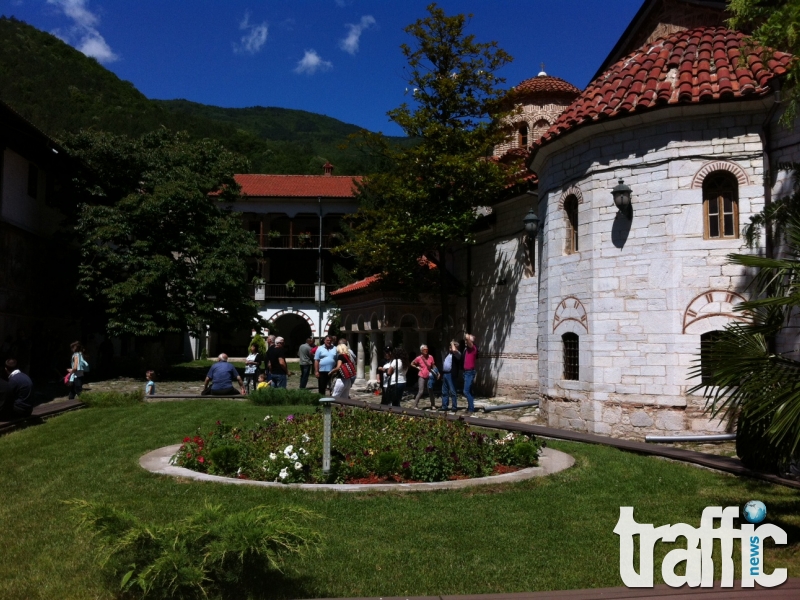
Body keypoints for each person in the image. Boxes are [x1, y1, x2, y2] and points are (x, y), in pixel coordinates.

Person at [410, 344, 438, 409]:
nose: (426, 351)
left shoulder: (430, 357)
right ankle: (415, 405)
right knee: (421, 391)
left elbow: (433, 365)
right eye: (424, 350)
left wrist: (437, 372)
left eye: (427, 349)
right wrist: (417, 367)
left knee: (430, 390)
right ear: (421, 351)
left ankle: (433, 405)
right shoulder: (419, 358)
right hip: (421, 375)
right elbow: (412, 363)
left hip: (429, 376)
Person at [439, 341, 461, 411]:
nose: (450, 347)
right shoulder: (448, 354)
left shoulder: (457, 354)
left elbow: (454, 351)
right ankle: (444, 406)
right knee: (444, 391)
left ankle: (454, 407)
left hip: (451, 374)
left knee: (452, 391)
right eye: (450, 346)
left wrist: (452, 342)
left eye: (452, 346)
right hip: (445, 374)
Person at [462, 334, 478, 414]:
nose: (466, 341)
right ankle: (470, 407)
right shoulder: (468, 349)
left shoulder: (473, 348)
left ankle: (471, 409)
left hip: (469, 372)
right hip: (466, 372)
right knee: (469, 391)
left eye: (467, 340)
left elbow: (467, 337)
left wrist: (467, 335)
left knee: (466, 391)